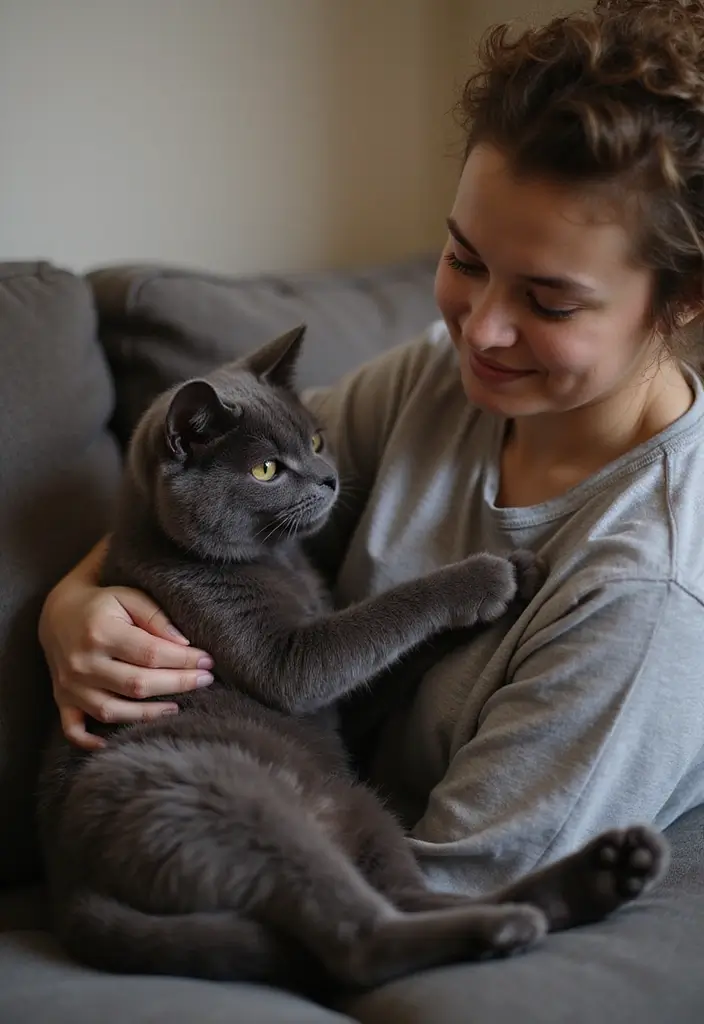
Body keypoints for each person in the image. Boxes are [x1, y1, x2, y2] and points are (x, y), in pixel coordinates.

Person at [38, 0, 704, 896]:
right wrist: (76, 605)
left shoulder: (647, 594)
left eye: (549, 301)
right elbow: (204, 498)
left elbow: (454, 899)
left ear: (684, 297)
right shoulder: (435, 382)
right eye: (465, 260)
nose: (482, 330)